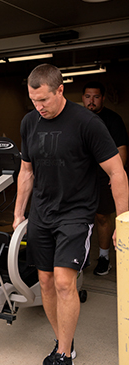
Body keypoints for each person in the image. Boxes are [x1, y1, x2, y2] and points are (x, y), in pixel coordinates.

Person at [12, 64, 128, 365]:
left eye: (44, 100)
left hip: (76, 214)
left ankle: (64, 356)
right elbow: (26, 171)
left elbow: (117, 172)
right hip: (42, 215)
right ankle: (65, 341)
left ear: (60, 90)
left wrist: (123, 221)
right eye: (33, 100)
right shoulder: (29, 122)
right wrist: (19, 213)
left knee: (64, 283)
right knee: (45, 282)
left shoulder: (87, 123)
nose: (39, 107)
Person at [82, 81, 128, 275]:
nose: (91, 101)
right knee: (79, 218)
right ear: (83, 98)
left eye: (96, 97)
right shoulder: (77, 118)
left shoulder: (113, 120)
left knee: (102, 217)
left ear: (103, 98)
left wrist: (115, 174)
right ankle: (79, 258)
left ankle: (104, 258)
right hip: (81, 178)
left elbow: (122, 150)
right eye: (87, 96)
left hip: (103, 177)